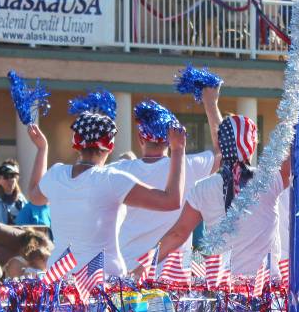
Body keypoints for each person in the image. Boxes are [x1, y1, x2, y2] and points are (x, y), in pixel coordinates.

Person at [26, 109, 187, 277]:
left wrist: (42, 149)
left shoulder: (55, 174)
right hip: (102, 282)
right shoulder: (111, 179)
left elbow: (34, 196)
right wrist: (177, 150)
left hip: (60, 280)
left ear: (76, 143)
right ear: (110, 146)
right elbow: (171, 201)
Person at [149, 114, 289, 276]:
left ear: (221, 146)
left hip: (225, 293)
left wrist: (141, 269)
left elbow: (177, 234)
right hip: (266, 291)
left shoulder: (202, 188)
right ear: (252, 146)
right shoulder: (270, 180)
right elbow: (295, 150)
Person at [113, 90, 221, 268]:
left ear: (140, 138)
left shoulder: (118, 171)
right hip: (173, 274)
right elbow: (223, 152)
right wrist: (210, 103)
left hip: (127, 268)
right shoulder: (189, 166)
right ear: (170, 139)